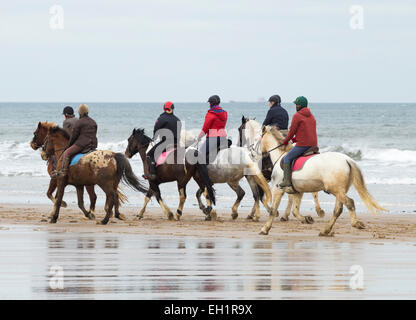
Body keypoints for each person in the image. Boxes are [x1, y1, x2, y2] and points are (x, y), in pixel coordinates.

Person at [279, 96, 317, 188]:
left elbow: (292, 131)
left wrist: (285, 141)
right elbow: (306, 131)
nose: (296, 106)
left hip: (303, 145)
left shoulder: (297, 116)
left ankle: (287, 181)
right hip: (313, 144)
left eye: (296, 105)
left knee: (287, 158)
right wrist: (295, 139)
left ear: (299, 105)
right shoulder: (311, 115)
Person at [145, 101, 182, 180]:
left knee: (149, 155)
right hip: (177, 144)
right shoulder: (178, 119)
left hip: (166, 143)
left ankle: (152, 173)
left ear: (164, 109)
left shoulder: (161, 118)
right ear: (172, 109)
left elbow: (156, 129)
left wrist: (154, 138)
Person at [60, 104, 98, 177]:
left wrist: (68, 146)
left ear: (79, 112)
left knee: (66, 153)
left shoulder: (79, 122)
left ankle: (63, 172)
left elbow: (74, 136)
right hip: (93, 144)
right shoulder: (93, 122)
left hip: (82, 144)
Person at [198, 95, 228, 163]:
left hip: (213, 138)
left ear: (211, 103)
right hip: (223, 137)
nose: (209, 105)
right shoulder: (225, 113)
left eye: (209, 103)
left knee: (200, 155)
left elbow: (205, 129)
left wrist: (199, 137)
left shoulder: (210, 114)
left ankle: (203, 173)